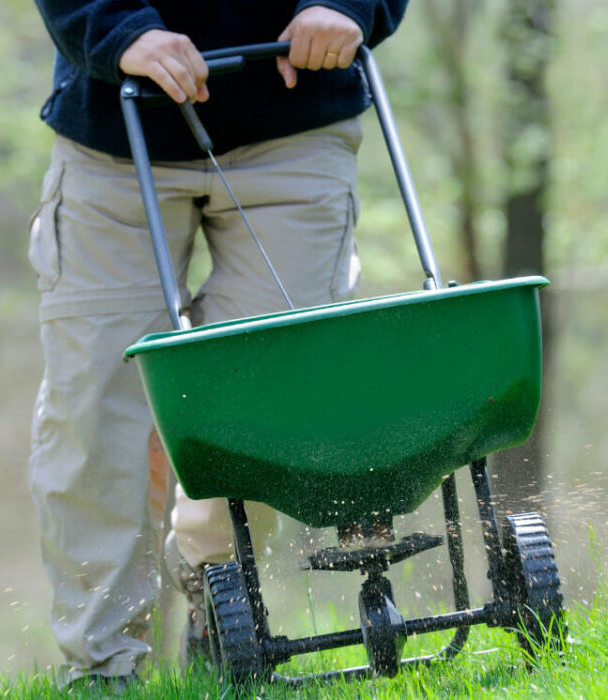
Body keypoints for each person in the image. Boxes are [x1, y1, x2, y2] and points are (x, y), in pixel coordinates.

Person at [26, 0, 407, 688]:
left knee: (265, 397)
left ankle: (220, 601)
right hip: (115, 125)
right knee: (94, 407)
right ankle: (103, 664)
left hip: (295, 125)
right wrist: (117, 30)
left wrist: (347, 6)